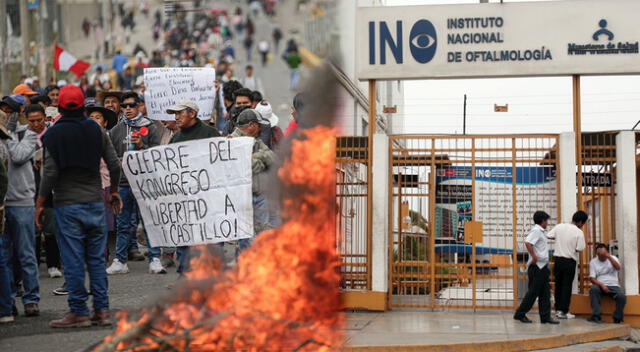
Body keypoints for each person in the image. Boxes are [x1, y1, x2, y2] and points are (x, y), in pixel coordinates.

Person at [36, 84, 121, 328]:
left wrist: (40, 203)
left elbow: (49, 174)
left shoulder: (52, 135)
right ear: (83, 105)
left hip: (67, 205)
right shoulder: (96, 130)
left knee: (73, 260)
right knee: (96, 259)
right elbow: (114, 165)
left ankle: (79, 311)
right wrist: (113, 191)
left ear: (59, 107)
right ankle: (102, 311)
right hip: (95, 202)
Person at [106, 92, 165, 275]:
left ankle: (154, 258)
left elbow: (158, 157)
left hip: (145, 183)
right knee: (123, 224)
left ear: (139, 106)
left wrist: (141, 146)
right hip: (123, 184)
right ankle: (120, 261)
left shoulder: (150, 127)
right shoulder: (116, 130)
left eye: (132, 105)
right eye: (124, 106)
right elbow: (110, 158)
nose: (128, 109)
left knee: (149, 222)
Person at [166, 100, 220, 274]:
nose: (176, 117)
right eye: (174, 114)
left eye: (179, 113)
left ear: (192, 113)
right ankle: (184, 274)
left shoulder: (210, 133)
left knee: (210, 237)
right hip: (185, 198)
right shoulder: (176, 137)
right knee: (185, 238)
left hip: (208, 198)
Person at [2, 93, 40, 318]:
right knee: (3, 257)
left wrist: (6, 135)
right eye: (5, 110)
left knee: (26, 254)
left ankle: (31, 299)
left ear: (19, 113)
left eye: (11, 111)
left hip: (22, 202)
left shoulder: (29, 135)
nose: (7, 114)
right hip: (3, 204)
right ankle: (7, 301)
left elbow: (17, 156)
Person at [229, 109, 274, 256]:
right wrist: (259, 161)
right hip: (242, 198)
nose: (260, 128)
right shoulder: (231, 141)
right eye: (258, 125)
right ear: (251, 125)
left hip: (259, 195)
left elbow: (272, 157)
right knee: (246, 237)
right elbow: (249, 166)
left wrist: (255, 156)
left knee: (264, 233)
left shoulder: (257, 140)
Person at [513, 211, 558, 324]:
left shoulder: (541, 231)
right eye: (546, 220)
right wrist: (533, 256)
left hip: (542, 267)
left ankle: (545, 317)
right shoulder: (536, 230)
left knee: (545, 293)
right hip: (537, 267)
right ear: (542, 220)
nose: (547, 223)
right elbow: (528, 243)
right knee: (533, 293)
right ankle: (520, 314)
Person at [546, 211, 588, 319]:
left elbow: (549, 235)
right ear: (579, 222)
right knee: (566, 287)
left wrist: (560, 239)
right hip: (569, 262)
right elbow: (579, 248)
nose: (582, 226)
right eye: (582, 224)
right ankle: (563, 311)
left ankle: (557, 309)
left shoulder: (559, 226)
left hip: (558, 260)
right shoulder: (578, 232)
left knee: (558, 285)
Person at [588, 244, 626, 324]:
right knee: (593, 289)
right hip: (600, 285)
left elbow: (618, 268)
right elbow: (592, 278)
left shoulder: (613, 258)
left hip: (614, 285)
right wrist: (602, 285)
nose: (601, 256)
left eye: (603, 254)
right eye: (599, 254)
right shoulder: (593, 262)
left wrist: (609, 257)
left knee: (621, 296)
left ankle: (617, 318)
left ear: (607, 252)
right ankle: (596, 316)